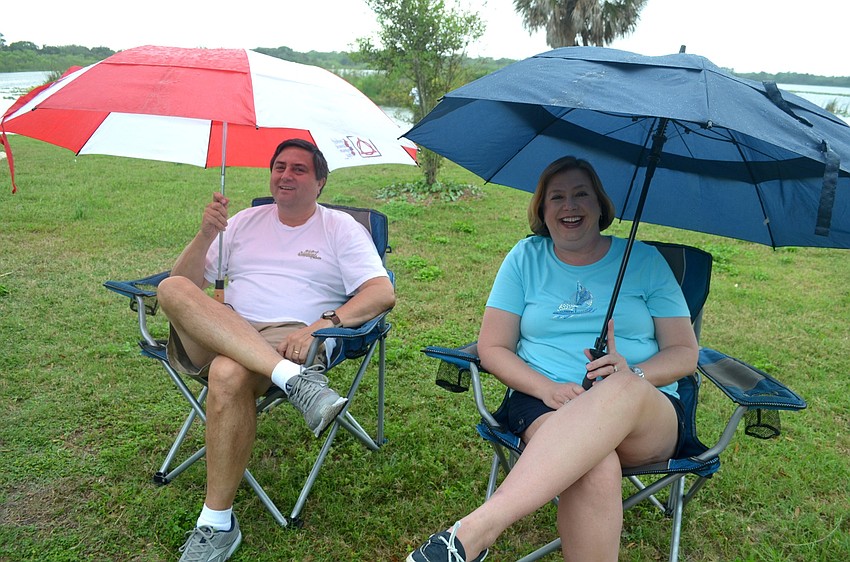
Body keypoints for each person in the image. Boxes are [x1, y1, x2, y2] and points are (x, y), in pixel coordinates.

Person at [407, 156, 699, 562]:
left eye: (582, 194)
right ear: (542, 212)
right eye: (556, 197)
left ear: (601, 205)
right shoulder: (526, 259)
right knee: (594, 466)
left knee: (623, 387)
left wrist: (632, 371)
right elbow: (492, 347)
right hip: (543, 400)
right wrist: (548, 388)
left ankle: (475, 532)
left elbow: (685, 352)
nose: (570, 206)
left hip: (645, 411)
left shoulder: (645, 261)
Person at [157, 138, 396, 562]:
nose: (286, 175)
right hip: (221, 328)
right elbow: (188, 284)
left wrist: (324, 324)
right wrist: (206, 233)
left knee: (229, 374)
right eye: (280, 166)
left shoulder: (340, 228)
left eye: (299, 169)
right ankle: (295, 381)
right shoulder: (245, 221)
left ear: (320, 182)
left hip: (288, 335)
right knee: (172, 287)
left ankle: (216, 524)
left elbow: (380, 293)